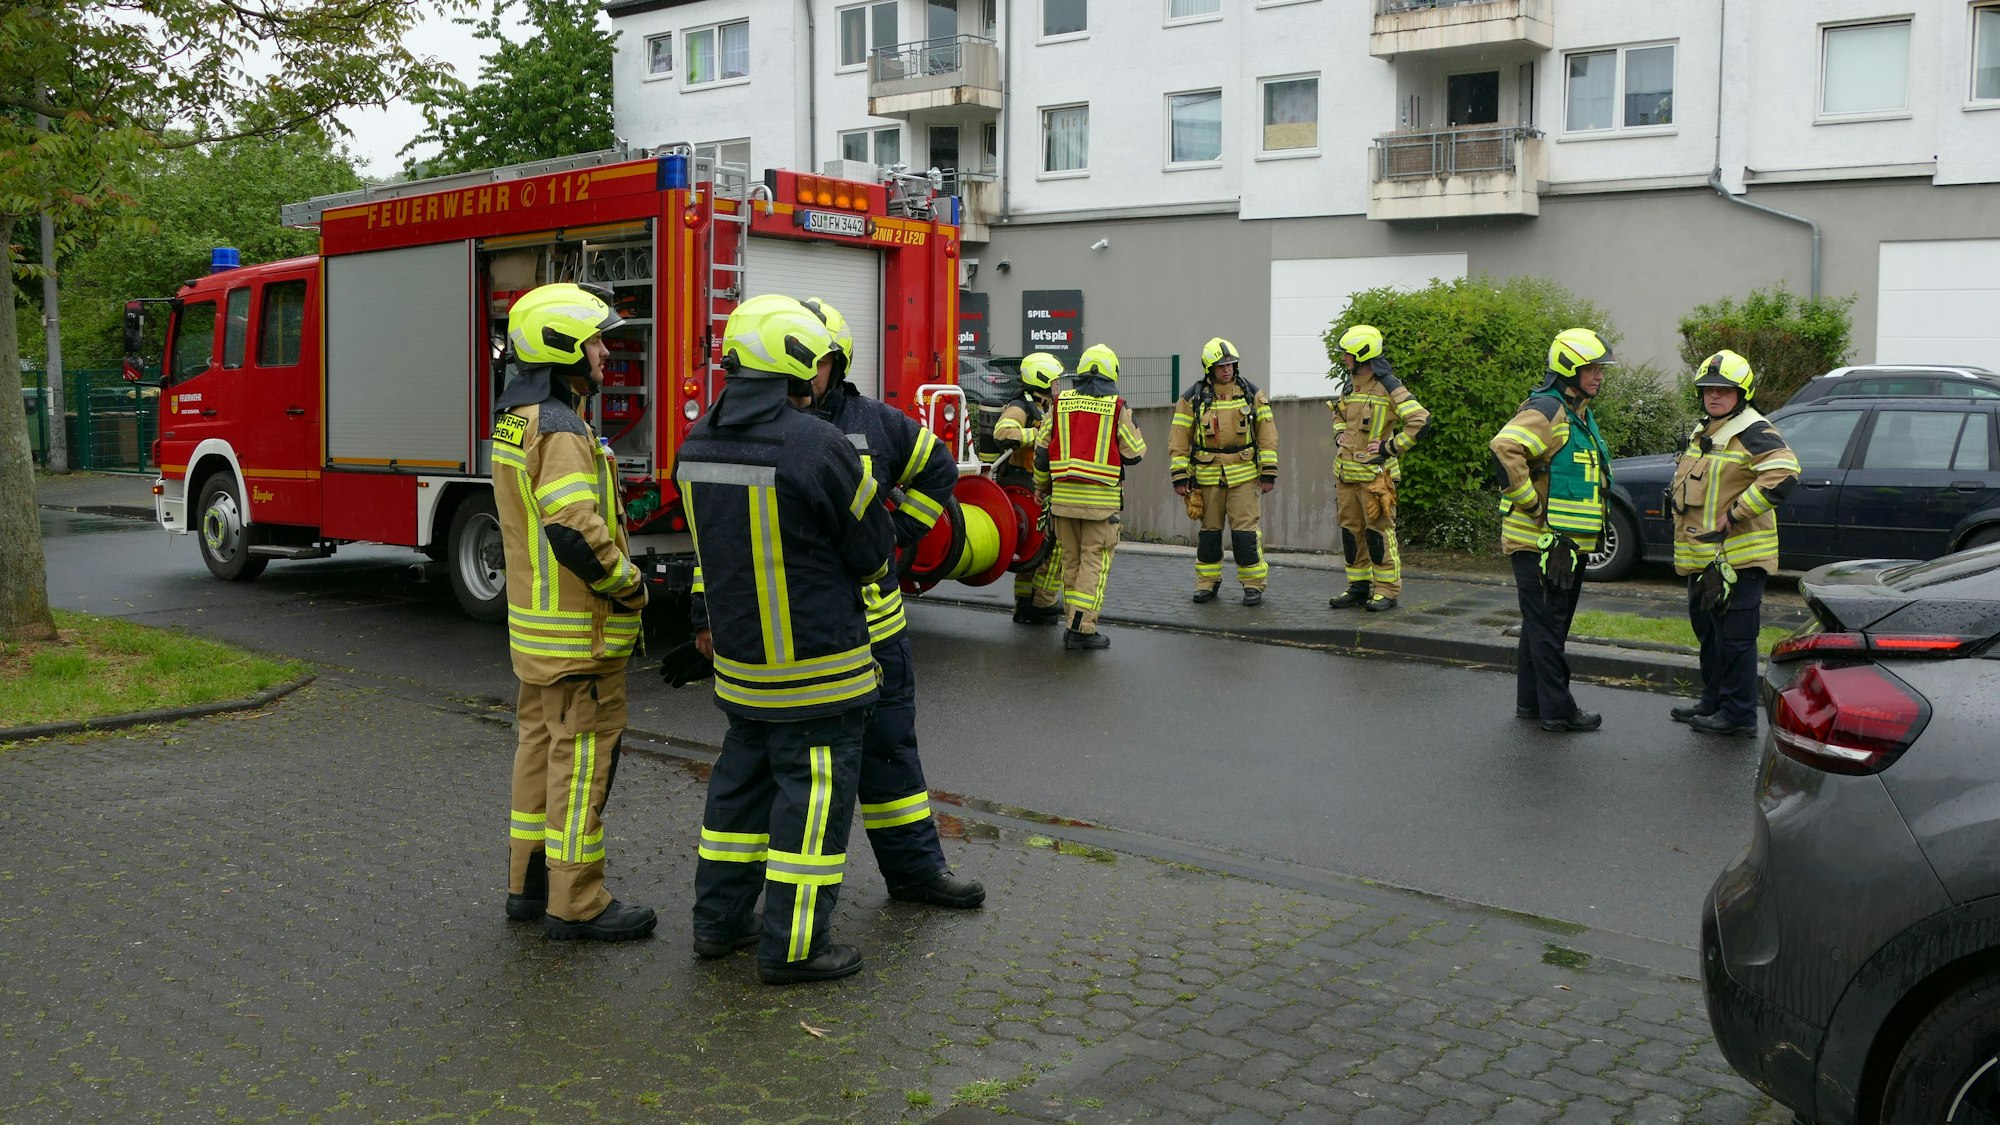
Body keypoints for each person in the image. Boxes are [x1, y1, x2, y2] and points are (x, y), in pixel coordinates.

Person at [676, 293, 896, 985]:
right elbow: (872, 548)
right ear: (797, 364)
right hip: (820, 672)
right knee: (811, 812)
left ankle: (717, 926)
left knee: (736, 802)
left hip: (743, 674)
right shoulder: (819, 443)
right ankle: (795, 948)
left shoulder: (695, 442)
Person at [797, 296, 986, 909]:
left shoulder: (874, 421)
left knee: (892, 753)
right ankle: (760, 902)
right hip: (805, 630)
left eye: (816, 360)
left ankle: (915, 874)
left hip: (878, 626)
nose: (804, 372)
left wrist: (902, 537)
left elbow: (939, 468)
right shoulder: (765, 426)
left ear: (838, 361)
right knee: (796, 770)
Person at [490, 282, 656, 942]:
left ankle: (527, 885)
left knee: (536, 750)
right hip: (579, 639)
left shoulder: (516, 420)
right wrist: (629, 583)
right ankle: (578, 900)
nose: (604, 350)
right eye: (593, 339)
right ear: (562, 347)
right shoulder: (560, 430)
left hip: (535, 635)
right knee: (580, 763)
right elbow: (571, 527)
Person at [1489, 328, 1616, 733]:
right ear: (1568, 368)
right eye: (1591, 369)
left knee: (1540, 625)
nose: (1599, 376)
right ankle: (1559, 711)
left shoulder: (1578, 412)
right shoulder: (1549, 407)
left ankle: (1532, 702)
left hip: (1564, 544)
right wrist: (1532, 504)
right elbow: (1505, 447)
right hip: (1539, 542)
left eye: (1600, 369)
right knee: (1548, 627)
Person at [1668, 350, 1800, 737]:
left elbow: (1785, 472)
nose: (1714, 395)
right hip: (1706, 560)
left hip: (1738, 560)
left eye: (1723, 390)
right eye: (1708, 389)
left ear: (1742, 393)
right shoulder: (1707, 429)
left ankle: (1739, 715)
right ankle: (1714, 701)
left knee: (1736, 641)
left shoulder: (1753, 430)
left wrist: (1739, 511)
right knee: (1710, 635)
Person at [1034, 343, 1146, 651]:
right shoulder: (1116, 407)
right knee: (1093, 565)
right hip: (1100, 506)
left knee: (1071, 562)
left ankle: (1073, 622)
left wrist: (1040, 486)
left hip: (1063, 503)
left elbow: (1042, 453)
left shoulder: (1058, 404)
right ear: (1111, 375)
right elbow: (1135, 453)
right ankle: (1082, 630)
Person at [1327, 325, 1430, 613]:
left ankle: (1386, 590)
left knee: (1379, 534)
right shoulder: (1351, 384)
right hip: (1346, 474)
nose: (1344, 359)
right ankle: (1358, 587)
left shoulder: (1389, 386)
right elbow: (1339, 414)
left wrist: (1389, 448)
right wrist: (1338, 435)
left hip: (1375, 478)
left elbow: (1420, 420)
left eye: (1348, 354)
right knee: (1351, 534)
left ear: (1362, 354)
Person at [1169, 337, 1279, 606]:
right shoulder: (1192, 399)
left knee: (1245, 534)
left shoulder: (1252, 394)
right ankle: (1207, 583)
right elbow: (1179, 439)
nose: (1227, 369)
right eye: (1221, 366)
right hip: (1207, 478)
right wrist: (1180, 475)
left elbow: (1267, 434)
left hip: (1243, 476)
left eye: (1231, 364)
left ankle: (1253, 585)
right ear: (1209, 368)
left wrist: (1268, 471)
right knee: (1209, 534)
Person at [992, 352, 1065, 625]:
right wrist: (1036, 435)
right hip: (1027, 487)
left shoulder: (1046, 404)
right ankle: (1040, 603)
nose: (1058, 386)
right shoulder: (1021, 405)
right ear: (1041, 379)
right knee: (1050, 548)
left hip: (1037, 486)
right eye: (1054, 381)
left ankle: (1026, 604)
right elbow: (1003, 431)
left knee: (1032, 551)